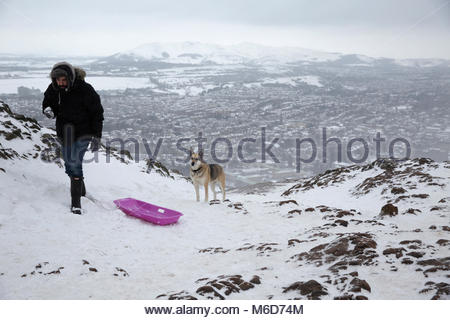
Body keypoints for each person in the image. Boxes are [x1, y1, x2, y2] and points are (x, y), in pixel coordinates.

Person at [42, 61, 104, 214]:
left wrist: (96, 136)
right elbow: (48, 100)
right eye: (57, 80)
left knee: (74, 163)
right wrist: (48, 109)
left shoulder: (85, 89)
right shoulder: (54, 88)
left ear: (70, 77)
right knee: (69, 162)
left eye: (63, 80)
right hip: (64, 132)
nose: (61, 83)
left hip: (83, 132)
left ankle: (76, 203)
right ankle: (81, 192)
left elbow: (97, 113)